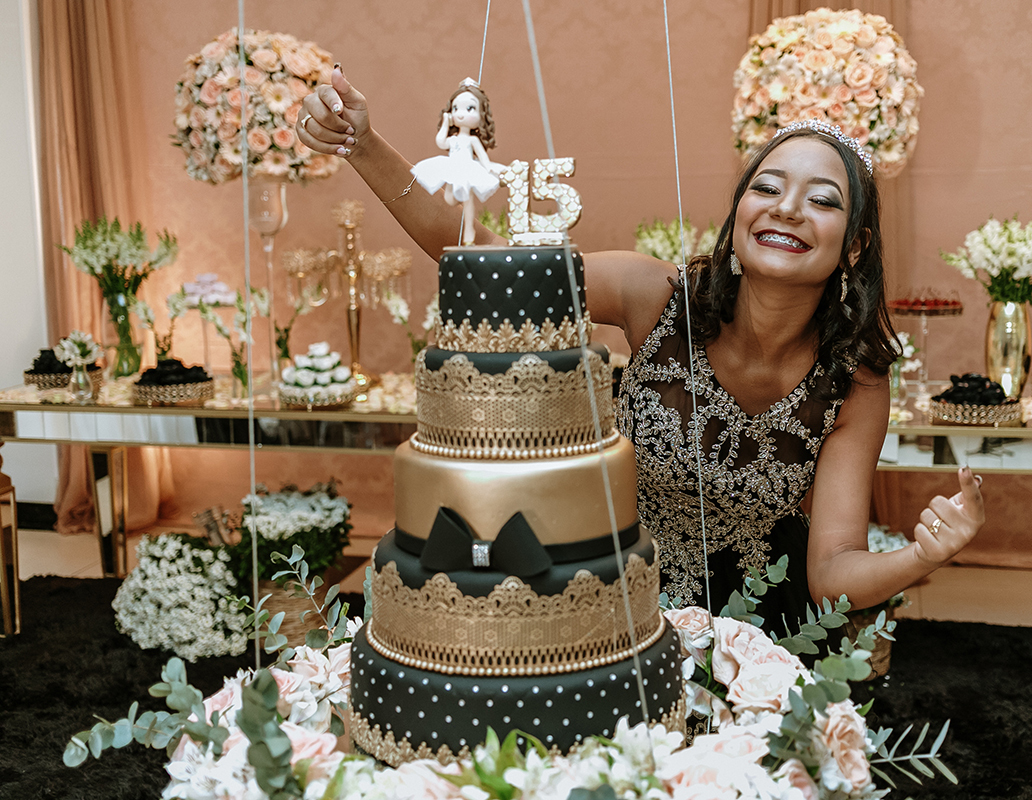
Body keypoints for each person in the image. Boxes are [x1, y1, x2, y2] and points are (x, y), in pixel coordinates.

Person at [295, 67, 985, 632]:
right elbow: (489, 261)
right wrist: (364, 144)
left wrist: (923, 555)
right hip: (606, 599)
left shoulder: (854, 379)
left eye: (823, 200)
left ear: (854, 246)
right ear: (739, 215)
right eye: (767, 187)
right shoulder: (654, 294)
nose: (786, 208)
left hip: (754, 631)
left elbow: (832, 570)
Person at [408, 77, 501, 246]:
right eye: (456, 108)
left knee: (468, 201)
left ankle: (469, 233)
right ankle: (467, 225)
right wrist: (445, 122)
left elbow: (483, 158)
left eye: (470, 108)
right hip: (453, 169)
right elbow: (441, 142)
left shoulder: (472, 140)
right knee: (450, 199)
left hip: (467, 168)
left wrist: (489, 169)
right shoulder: (454, 139)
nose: (461, 113)